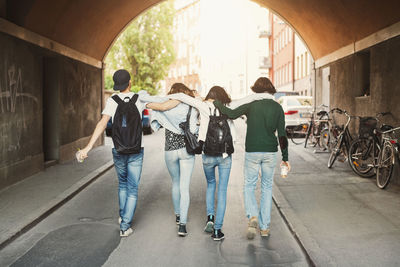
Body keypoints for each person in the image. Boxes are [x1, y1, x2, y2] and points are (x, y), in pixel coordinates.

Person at [165, 86, 273, 241]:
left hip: (207, 154)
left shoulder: (202, 105)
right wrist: (268, 96)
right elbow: (250, 98)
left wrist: (161, 98)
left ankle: (210, 217)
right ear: (223, 96)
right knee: (222, 191)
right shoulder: (228, 107)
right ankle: (217, 230)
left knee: (210, 184)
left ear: (209, 95)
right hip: (224, 155)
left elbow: (183, 97)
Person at [213, 77, 291, 240]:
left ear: (256, 90)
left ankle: (252, 216)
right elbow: (282, 135)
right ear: (270, 90)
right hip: (270, 152)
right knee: (267, 188)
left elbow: (232, 114)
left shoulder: (252, 105)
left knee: (249, 186)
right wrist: (285, 158)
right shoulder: (277, 108)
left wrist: (217, 104)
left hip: (253, 152)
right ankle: (264, 228)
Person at [77, 69, 146, 237]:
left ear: (117, 85)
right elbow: (161, 105)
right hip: (136, 150)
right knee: (133, 189)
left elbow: (102, 123)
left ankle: (123, 216)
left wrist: (87, 147)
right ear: (130, 82)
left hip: (119, 150)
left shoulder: (112, 101)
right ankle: (125, 226)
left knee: (122, 184)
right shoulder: (140, 98)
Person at [146, 83, 199, 237]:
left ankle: (177, 214)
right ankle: (182, 225)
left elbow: (157, 115)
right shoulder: (191, 107)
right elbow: (195, 128)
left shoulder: (166, 106)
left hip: (170, 150)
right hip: (186, 150)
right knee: (184, 186)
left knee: (175, 182)